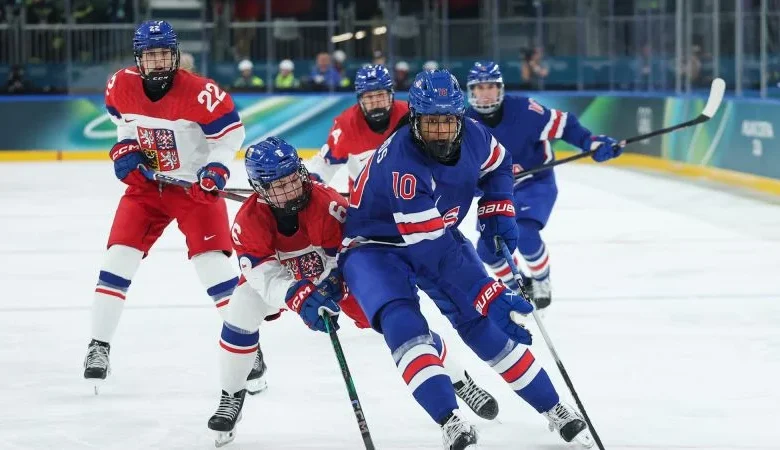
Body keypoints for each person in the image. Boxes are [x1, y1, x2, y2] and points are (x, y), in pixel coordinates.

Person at [339, 69, 594, 449]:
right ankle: (449, 419)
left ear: (461, 118)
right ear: (414, 120)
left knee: (480, 324)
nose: (440, 132)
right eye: (430, 122)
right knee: (403, 324)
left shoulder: (476, 133)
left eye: (448, 121)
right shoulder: (403, 166)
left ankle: (554, 409)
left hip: (435, 231)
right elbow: (434, 252)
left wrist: (498, 207)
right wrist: (488, 291)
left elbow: (498, 167)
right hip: (373, 247)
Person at [207, 137, 498, 447]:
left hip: (337, 278)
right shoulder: (248, 222)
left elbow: (350, 254)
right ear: (260, 188)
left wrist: (334, 282)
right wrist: (295, 294)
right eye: (279, 185)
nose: (291, 188)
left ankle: (457, 379)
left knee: (398, 324)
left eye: (293, 178)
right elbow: (261, 275)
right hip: (287, 282)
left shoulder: (327, 205)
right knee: (240, 308)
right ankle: (231, 394)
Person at [82, 20, 265, 396]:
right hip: (148, 188)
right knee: (118, 258)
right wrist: (125, 150)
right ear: (139, 58)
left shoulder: (201, 93)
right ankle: (98, 345)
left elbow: (231, 136)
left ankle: (250, 347)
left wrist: (215, 167)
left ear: (176, 55)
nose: (158, 61)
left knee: (211, 266)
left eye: (164, 53)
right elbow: (124, 127)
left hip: (194, 189)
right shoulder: (121, 85)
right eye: (150, 55)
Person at [465, 61, 622, 310]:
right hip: (496, 191)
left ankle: (541, 279)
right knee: (486, 250)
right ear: (471, 92)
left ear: (501, 89)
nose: (485, 94)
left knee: (524, 233)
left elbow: (564, 123)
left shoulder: (525, 111)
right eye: (479, 88)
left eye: (491, 87)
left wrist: (590, 142)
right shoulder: (464, 124)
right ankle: (519, 287)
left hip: (534, 182)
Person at [307, 64, 408, 187]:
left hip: (407, 193)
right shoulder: (346, 125)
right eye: (369, 97)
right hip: (365, 198)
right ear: (360, 100)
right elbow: (326, 163)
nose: (376, 103)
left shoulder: (409, 116)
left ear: (391, 95)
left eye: (381, 95)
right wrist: (312, 186)